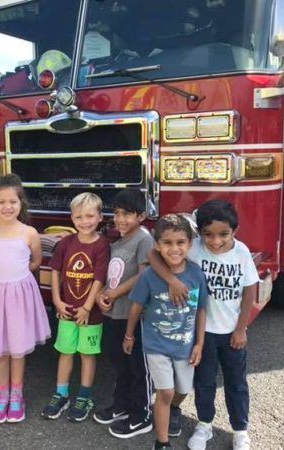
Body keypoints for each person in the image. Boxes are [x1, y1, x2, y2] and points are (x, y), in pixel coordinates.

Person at [150, 200, 258, 450]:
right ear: (199, 233)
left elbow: (250, 290)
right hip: (202, 333)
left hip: (232, 332)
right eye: (208, 234)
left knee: (236, 382)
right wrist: (172, 281)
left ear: (235, 231)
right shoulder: (194, 248)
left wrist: (241, 328)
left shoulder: (241, 252)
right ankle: (205, 425)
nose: (216, 241)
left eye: (223, 234)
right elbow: (152, 255)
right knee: (204, 381)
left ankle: (240, 429)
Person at [124, 214, 208, 450]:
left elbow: (201, 310)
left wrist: (199, 344)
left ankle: (171, 408)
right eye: (167, 243)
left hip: (185, 346)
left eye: (180, 242)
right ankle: (162, 442)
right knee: (166, 391)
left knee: (182, 390)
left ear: (189, 244)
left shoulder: (196, 275)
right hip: (156, 346)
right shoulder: (150, 276)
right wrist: (129, 335)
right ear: (158, 246)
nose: (174, 248)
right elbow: (136, 307)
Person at [0, 174, 50, 424]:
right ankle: (1, 395)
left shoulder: (29, 233)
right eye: (2, 202)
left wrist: (21, 277)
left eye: (13, 202)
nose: (7, 207)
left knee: (17, 350)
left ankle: (17, 395)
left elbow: (36, 261)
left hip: (19, 297)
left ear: (21, 203)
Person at [41, 192, 110, 422]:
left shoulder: (102, 246)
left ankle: (84, 396)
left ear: (100, 217)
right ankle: (61, 394)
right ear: (72, 218)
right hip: (66, 311)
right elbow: (55, 271)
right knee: (66, 351)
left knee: (87, 354)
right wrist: (57, 300)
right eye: (79, 216)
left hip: (90, 313)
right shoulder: (65, 243)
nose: (85, 221)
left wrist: (88, 307)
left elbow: (99, 278)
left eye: (90, 215)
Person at [93, 189, 155, 439]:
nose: (120, 219)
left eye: (127, 215)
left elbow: (144, 274)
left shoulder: (143, 239)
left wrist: (115, 293)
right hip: (114, 312)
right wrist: (102, 295)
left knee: (138, 365)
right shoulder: (118, 240)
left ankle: (143, 414)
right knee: (118, 360)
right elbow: (112, 275)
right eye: (117, 214)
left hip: (134, 314)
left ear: (141, 216)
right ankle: (122, 404)